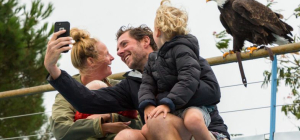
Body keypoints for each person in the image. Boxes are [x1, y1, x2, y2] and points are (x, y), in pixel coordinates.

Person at [44, 25, 230, 140]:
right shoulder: (131, 84)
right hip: (162, 134)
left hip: (206, 133)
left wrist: (155, 102)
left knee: (157, 121)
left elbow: (211, 91)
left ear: (146, 41)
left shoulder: (181, 58)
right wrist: (53, 69)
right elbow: (87, 101)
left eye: (124, 44)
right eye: (117, 48)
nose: (118, 53)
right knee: (125, 137)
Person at [138, 0, 225, 140]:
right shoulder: (152, 60)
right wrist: (147, 104)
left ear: (158, 31)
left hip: (192, 108)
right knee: (146, 129)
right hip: (174, 110)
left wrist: (168, 102)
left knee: (193, 120)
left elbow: (188, 78)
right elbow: (146, 85)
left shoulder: (183, 50)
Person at [49, 28, 142, 140]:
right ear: (91, 61)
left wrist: (111, 117)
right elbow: (60, 130)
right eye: (107, 54)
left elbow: (142, 121)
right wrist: (103, 127)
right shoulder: (66, 94)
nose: (112, 58)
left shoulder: (120, 87)